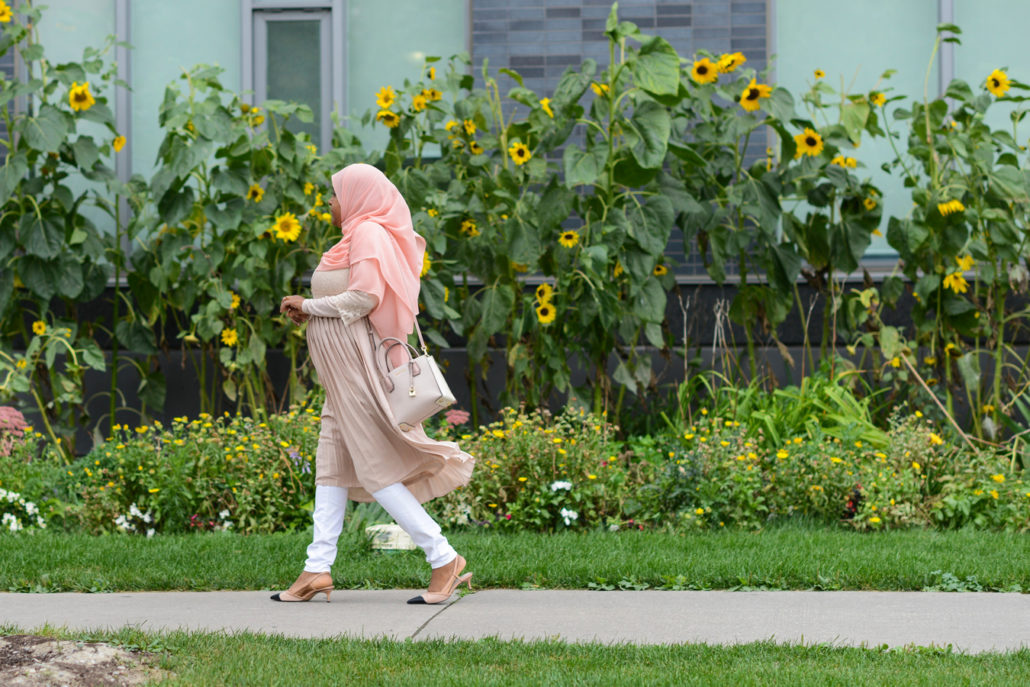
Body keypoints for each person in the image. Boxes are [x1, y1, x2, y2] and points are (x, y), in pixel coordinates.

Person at [274, 163, 474, 604]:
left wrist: (310, 302)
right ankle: (316, 568)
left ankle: (444, 558)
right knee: (331, 462)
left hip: (358, 368)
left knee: (374, 464)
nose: (329, 203)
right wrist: (313, 311)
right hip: (341, 371)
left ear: (357, 196)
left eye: (335, 194)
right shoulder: (353, 237)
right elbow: (351, 296)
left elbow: (366, 298)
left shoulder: (367, 233)